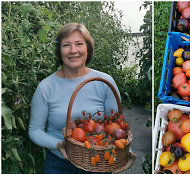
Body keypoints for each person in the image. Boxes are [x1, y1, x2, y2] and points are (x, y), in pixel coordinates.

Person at [28, 23, 136, 174]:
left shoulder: (104, 82)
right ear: (59, 51)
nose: (73, 50)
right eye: (66, 45)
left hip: (99, 162)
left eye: (79, 44)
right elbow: (35, 130)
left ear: (88, 49)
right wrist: (59, 144)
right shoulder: (46, 87)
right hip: (58, 165)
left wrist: (126, 151)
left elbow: (118, 126)